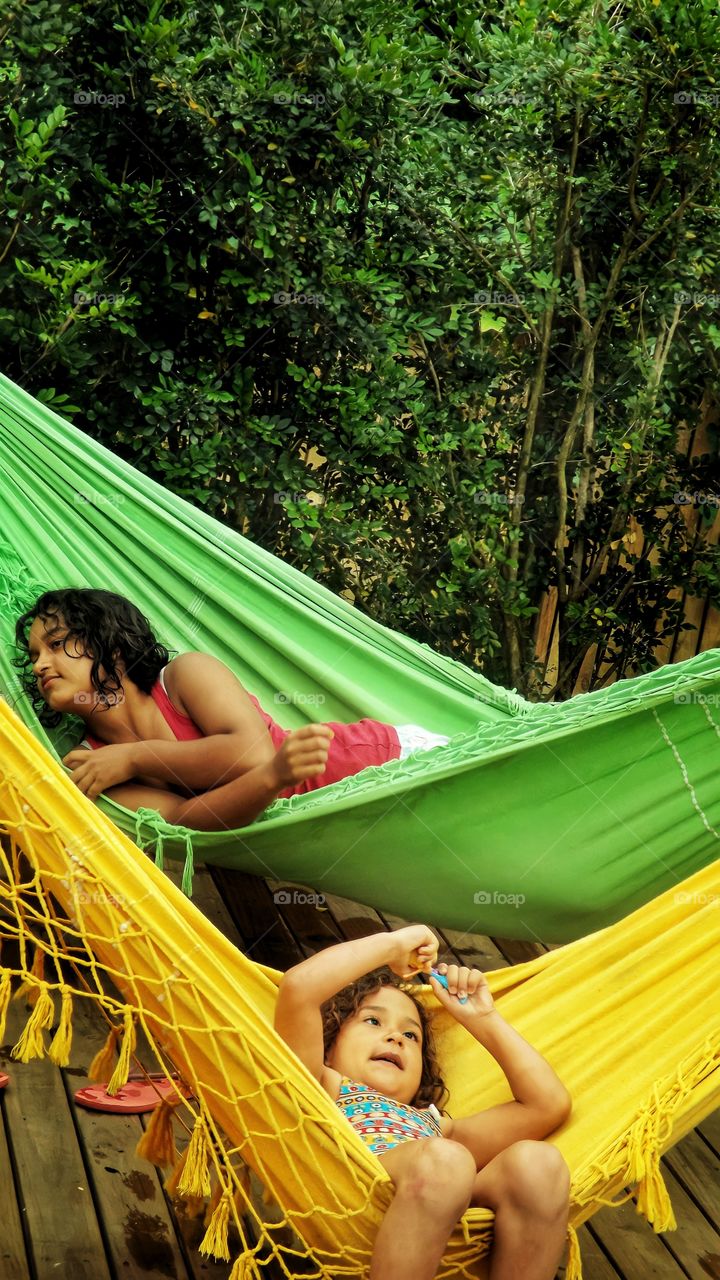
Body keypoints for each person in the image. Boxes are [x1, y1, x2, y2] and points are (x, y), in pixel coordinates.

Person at [275, 924, 572, 1280]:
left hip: (442, 1195)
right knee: (446, 1159)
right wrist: (394, 944)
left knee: (540, 1163)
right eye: (373, 1020)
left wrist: (482, 1018)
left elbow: (547, 1105)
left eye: (410, 1035)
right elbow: (299, 989)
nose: (395, 1037)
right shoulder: (320, 1083)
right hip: (355, 1194)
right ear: (330, 1042)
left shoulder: (438, 1127)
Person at [15, 588, 449, 831]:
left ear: (111, 642)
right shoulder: (95, 765)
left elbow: (252, 752)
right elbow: (187, 822)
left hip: (388, 764)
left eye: (55, 645)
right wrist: (271, 779)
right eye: (34, 654)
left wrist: (131, 757)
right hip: (342, 831)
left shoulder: (186, 676)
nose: (40, 664)